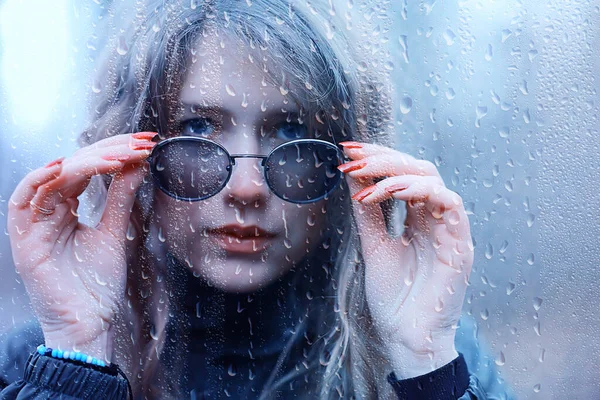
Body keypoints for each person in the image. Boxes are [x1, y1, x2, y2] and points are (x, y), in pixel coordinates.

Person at [0, 0, 514, 399]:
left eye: (290, 132)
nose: (246, 188)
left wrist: (422, 362)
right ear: (134, 149)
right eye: (197, 128)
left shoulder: (436, 351)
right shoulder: (36, 362)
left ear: (347, 155)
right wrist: (77, 355)